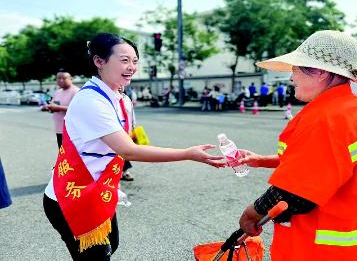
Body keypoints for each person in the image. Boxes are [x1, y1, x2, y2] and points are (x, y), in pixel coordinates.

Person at [42, 33, 223, 260]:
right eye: (124, 60)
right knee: (96, 256)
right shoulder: (91, 100)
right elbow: (128, 150)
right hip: (72, 196)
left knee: (111, 244)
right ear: (99, 62)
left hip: (98, 191)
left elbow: (128, 139)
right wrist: (187, 153)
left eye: (135, 61)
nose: (131, 67)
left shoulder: (121, 97)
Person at [237, 30, 357, 261]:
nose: (291, 77)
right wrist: (261, 160)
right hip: (356, 245)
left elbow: (294, 195)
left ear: (320, 72)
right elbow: (328, 164)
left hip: (319, 250)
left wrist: (251, 214)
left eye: (295, 69)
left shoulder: (325, 118)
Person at [41, 70, 79, 148]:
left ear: (70, 79)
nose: (61, 80)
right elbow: (54, 105)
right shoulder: (58, 92)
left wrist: (57, 107)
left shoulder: (76, 91)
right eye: (58, 78)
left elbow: (78, 110)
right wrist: (48, 107)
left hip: (72, 132)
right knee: (62, 154)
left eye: (64, 78)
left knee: (71, 156)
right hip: (59, 129)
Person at [118, 86, 136, 182]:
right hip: (115, 131)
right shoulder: (108, 98)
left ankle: (123, 172)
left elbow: (131, 114)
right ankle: (122, 172)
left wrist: (133, 127)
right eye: (118, 84)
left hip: (127, 130)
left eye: (122, 85)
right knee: (119, 153)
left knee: (124, 152)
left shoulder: (126, 98)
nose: (120, 87)